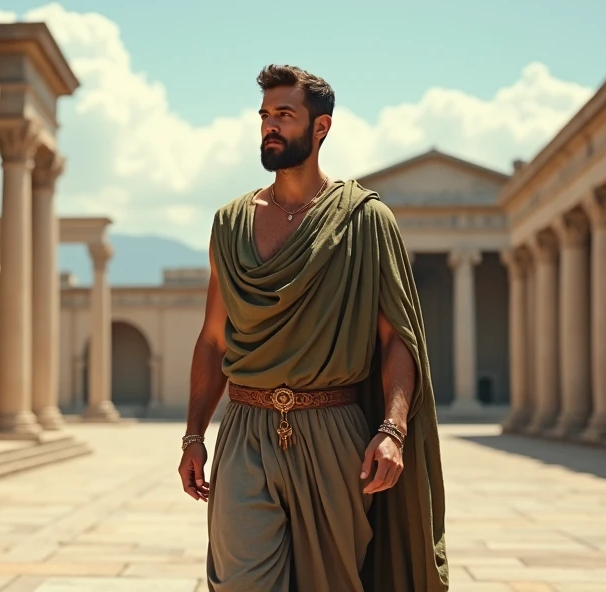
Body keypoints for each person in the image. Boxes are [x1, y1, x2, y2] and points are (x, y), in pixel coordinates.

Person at [178, 64, 449, 592]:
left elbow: (398, 340)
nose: (269, 126)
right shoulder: (230, 224)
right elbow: (213, 339)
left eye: (284, 114)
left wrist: (392, 430)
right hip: (247, 430)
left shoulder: (365, 221)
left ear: (321, 127)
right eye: (264, 115)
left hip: (334, 432)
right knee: (240, 583)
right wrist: (193, 434)